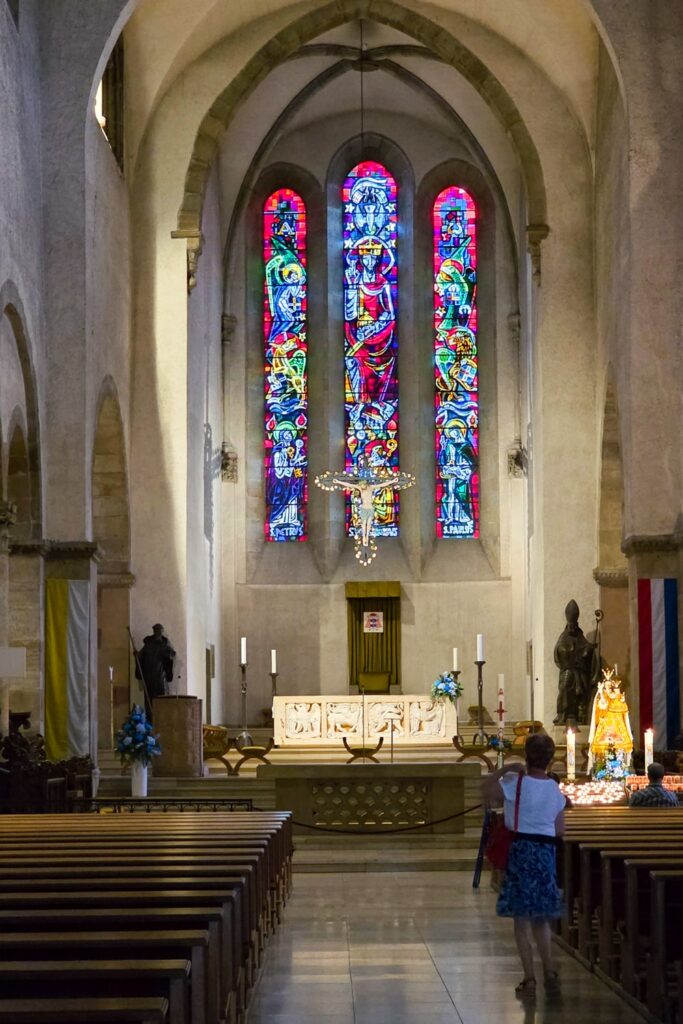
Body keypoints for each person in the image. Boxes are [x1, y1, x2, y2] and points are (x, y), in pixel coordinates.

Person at [483, 733, 567, 996]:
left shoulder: (513, 783)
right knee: (541, 918)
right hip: (545, 853)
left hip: (520, 850)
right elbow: (560, 829)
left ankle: (529, 977)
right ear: (550, 759)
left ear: (526, 756)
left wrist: (507, 767)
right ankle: (550, 970)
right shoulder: (555, 789)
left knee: (521, 920)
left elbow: (485, 791)